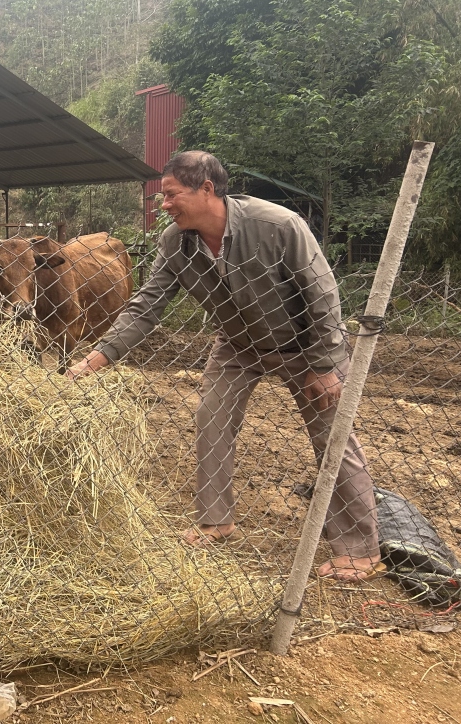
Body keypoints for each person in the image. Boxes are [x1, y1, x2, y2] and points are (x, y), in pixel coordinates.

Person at [67, 150, 381, 582]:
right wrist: (94, 359)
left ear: (207, 189)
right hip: (238, 345)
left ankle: (360, 549)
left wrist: (326, 364)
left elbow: (323, 297)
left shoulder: (278, 225)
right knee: (210, 417)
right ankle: (217, 520)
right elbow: (146, 307)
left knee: (333, 436)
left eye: (172, 194)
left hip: (306, 346)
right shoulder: (176, 242)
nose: (164, 204)